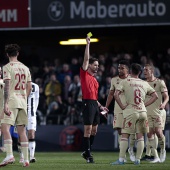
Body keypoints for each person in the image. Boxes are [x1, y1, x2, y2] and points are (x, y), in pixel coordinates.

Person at [112, 63, 158, 165]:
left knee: (124, 136)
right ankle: (137, 160)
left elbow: (116, 94)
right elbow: (155, 96)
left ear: (130, 71)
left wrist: (122, 106)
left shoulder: (125, 81)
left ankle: (120, 160)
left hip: (130, 111)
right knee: (140, 137)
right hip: (142, 112)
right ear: (140, 72)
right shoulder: (144, 83)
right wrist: (144, 105)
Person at [0, 44, 32, 167]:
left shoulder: (7, 67)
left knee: (4, 127)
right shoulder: (25, 68)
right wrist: (24, 98)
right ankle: (26, 159)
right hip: (23, 101)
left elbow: (7, 86)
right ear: (17, 53)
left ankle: (9, 155)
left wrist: (6, 103)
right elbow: (29, 86)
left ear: (7, 54)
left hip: (12, 100)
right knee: (22, 131)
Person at [80, 36, 108, 163]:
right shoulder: (84, 73)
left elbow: (94, 97)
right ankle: (89, 155)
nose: (97, 67)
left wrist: (101, 106)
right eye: (95, 65)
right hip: (87, 103)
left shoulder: (95, 80)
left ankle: (87, 151)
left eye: (98, 65)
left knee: (94, 130)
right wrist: (88, 44)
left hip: (94, 104)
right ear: (89, 65)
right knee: (88, 129)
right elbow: (86, 59)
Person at [105, 60, 136, 162]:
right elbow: (110, 94)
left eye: (122, 68)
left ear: (127, 69)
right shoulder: (114, 80)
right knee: (119, 130)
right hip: (118, 109)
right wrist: (106, 107)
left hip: (130, 108)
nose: (120, 70)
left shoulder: (133, 79)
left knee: (130, 131)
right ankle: (123, 155)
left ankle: (131, 150)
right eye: (119, 68)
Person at [141, 64, 169, 163]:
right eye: (143, 70)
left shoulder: (160, 82)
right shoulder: (143, 83)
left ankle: (163, 150)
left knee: (158, 132)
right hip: (147, 113)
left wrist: (164, 104)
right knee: (149, 134)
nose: (144, 72)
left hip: (158, 112)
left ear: (152, 71)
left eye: (146, 70)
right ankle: (156, 157)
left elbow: (166, 96)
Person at [19, 82, 39, 163]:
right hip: (21, 112)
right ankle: (22, 156)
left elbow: (37, 99)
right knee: (21, 135)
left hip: (31, 114)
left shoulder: (35, 86)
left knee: (31, 133)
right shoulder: (19, 85)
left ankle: (31, 156)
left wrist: (34, 111)